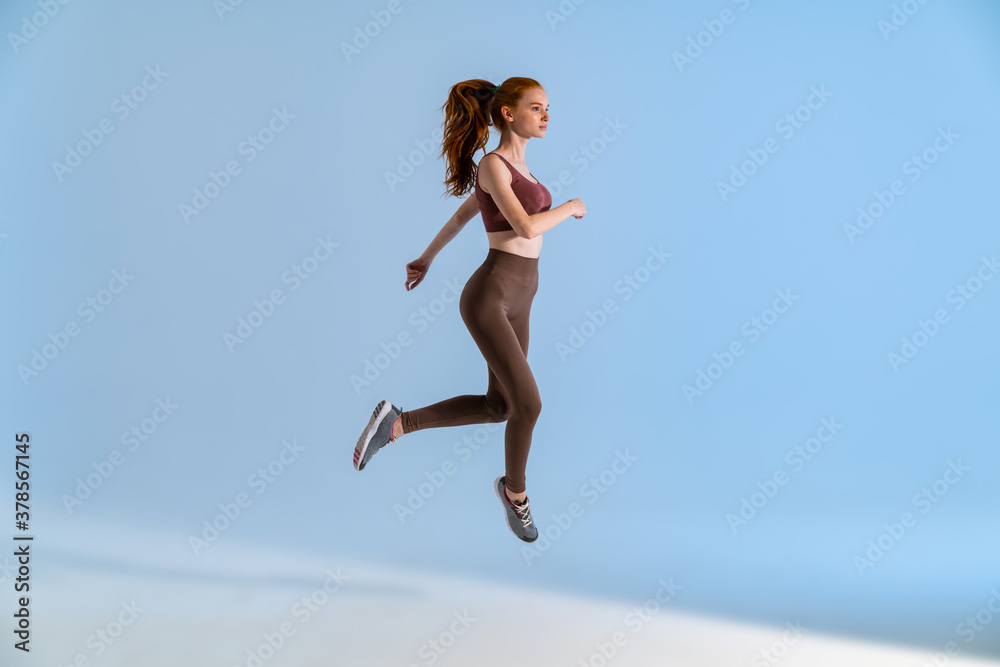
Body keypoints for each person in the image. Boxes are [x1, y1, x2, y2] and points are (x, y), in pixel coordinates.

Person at [353, 77, 586, 543]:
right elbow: (522, 226)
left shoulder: (521, 171)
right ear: (507, 114)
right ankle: (514, 495)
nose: (546, 116)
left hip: (523, 296)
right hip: (491, 296)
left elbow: (465, 214)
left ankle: (397, 423)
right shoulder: (493, 165)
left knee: (501, 406)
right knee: (530, 404)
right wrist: (570, 207)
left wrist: (426, 257)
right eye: (536, 108)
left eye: (548, 109)